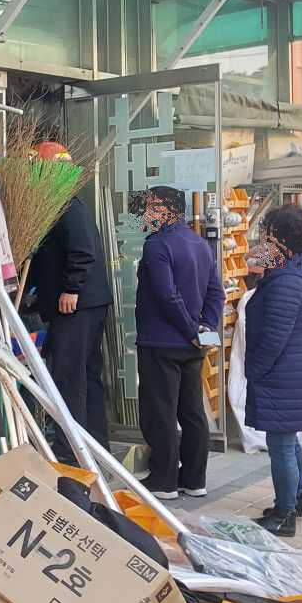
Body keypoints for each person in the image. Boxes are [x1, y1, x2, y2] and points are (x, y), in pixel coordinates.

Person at [134, 185, 224, 499]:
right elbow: (216, 293)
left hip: (161, 341)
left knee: (160, 412)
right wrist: (204, 329)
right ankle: (194, 479)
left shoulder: (157, 245)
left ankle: (163, 481)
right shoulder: (200, 244)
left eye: (151, 208)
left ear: (166, 210)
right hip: (191, 346)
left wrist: (190, 330)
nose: (146, 214)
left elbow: (166, 295)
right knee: (192, 411)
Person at [246, 204, 302, 537]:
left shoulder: (286, 283)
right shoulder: (300, 266)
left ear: (280, 240)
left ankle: (285, 514)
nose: (261, 242)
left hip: (284, 376)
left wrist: (253, 371)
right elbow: (255, 262)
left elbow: (273, 340)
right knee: (289, 440)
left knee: (280, 445)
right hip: (298, 372)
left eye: (266, 236)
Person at [27, 156, 113, 462]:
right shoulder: (60, 204)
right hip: (85, 303)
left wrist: (71, 289)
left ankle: (72, 452)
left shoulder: (67, 206)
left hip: (78, 305)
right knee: (86, 375)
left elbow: (83, 251)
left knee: (69, 376)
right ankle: (96, 447)